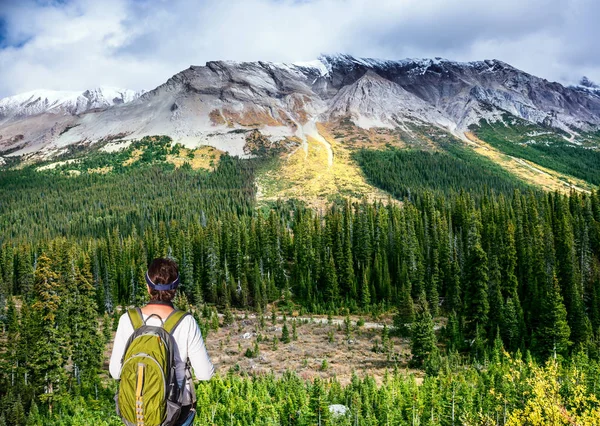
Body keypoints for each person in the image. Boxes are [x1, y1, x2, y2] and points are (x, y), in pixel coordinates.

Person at [110, 258, 214, 426]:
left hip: (136, 412)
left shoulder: (127, 320)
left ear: (148, 286)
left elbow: (116, 372)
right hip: (175, 411)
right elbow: (205, 374)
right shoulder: (186, 322)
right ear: (175, 289)